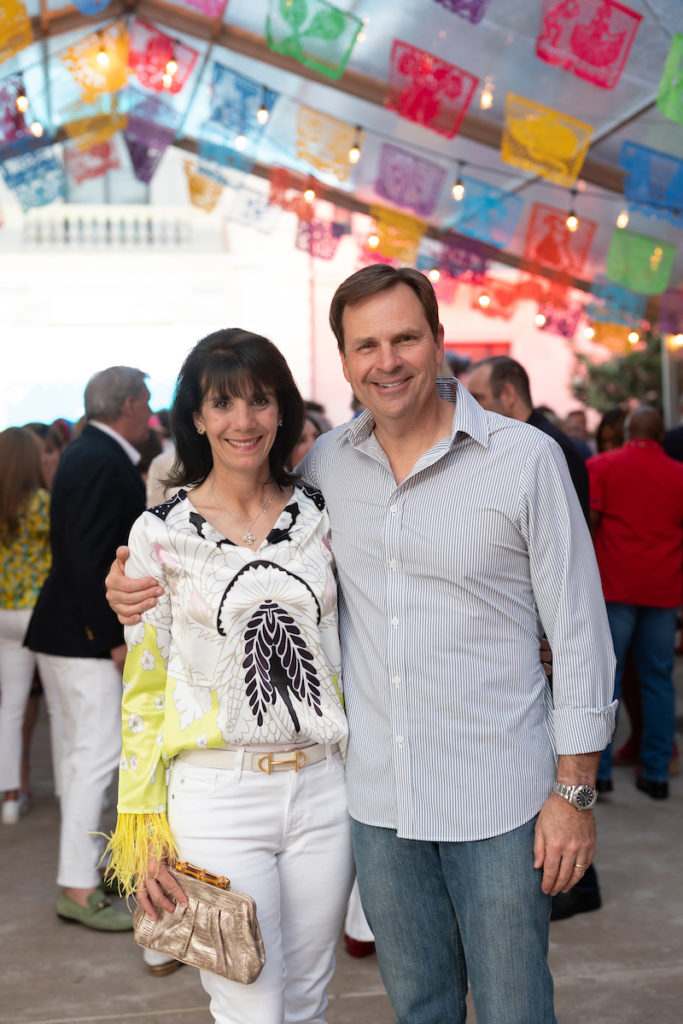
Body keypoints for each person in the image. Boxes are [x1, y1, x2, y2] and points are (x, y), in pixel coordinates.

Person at [107, 267, 616, 1024]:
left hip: (493, 797)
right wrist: (127, 585)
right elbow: (169, 653)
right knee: (409, 1004)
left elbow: (578, 632)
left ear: (438, 341)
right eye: (365, 344)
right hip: (368, 804)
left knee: (511, 1006)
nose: (388, 360)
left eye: (405, 337)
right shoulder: (313, 477)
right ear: (343, 361)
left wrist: (573, 790)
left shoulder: (520, 461)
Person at [104, 330, 352, 1023]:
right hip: (215, 796)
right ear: (197, 417)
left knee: (307, 997)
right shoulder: (160, 534)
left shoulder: (321, 516)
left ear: (283, 412)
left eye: (260, 400)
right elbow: (144, 692)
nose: (243, 421)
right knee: (248, 1001)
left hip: (324, 789)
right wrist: (143, 824)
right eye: (223, 403)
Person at [465, 355, 602, 920]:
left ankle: (572, 884)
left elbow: (563, 558)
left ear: (508, 395)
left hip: (551, 641)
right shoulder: (544, 442)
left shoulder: (540, 451)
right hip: (543, 640)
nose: (465, 408)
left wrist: (545, 630)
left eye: (477, 396)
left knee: (562, 776)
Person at [25, 366, 150, 931]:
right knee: (95, 760)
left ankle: (82, 874)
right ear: (126, 404)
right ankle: (77, 887)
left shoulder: (87, 450)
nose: (150, 413)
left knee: (82, 759)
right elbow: (90, 557)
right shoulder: (101, 457)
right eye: (146, 402)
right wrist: (112, 638)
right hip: (84, 637)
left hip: (67, 632)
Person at [587, 406, 683, 800]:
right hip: (663, 589)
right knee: (658, 680)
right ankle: (656, 774)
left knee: (607, 681)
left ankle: (602, 774)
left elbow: (591, 523)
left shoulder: (602, 465)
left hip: (615, 587)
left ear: (627, 431)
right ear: (661, 434)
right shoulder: (679, 473)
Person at [0, 428, 61, 824]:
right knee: (59, 707)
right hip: (41, 613)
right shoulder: (43, 503)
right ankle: (65, 788)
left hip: (3, 614)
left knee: (10, 708)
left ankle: (9, 798)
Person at [466, 355, 590, 518]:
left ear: (508, 394)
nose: (469, 408)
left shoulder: (551, 448)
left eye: (477, 398)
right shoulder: (511, 442)